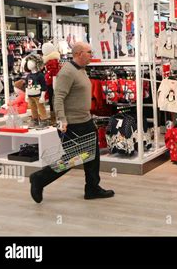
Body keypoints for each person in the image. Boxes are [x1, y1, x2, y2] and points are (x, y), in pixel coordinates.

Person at [29, 42, 115, 203]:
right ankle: (39, 178)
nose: (92, 54)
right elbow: (58, 98)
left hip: (86, 120)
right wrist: (62, 120)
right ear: (78, 53)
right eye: (89, 52)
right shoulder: (67, 72)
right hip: (72, 123)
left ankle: (92, 188)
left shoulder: (81, 70)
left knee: (93, 156)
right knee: (71, 159)